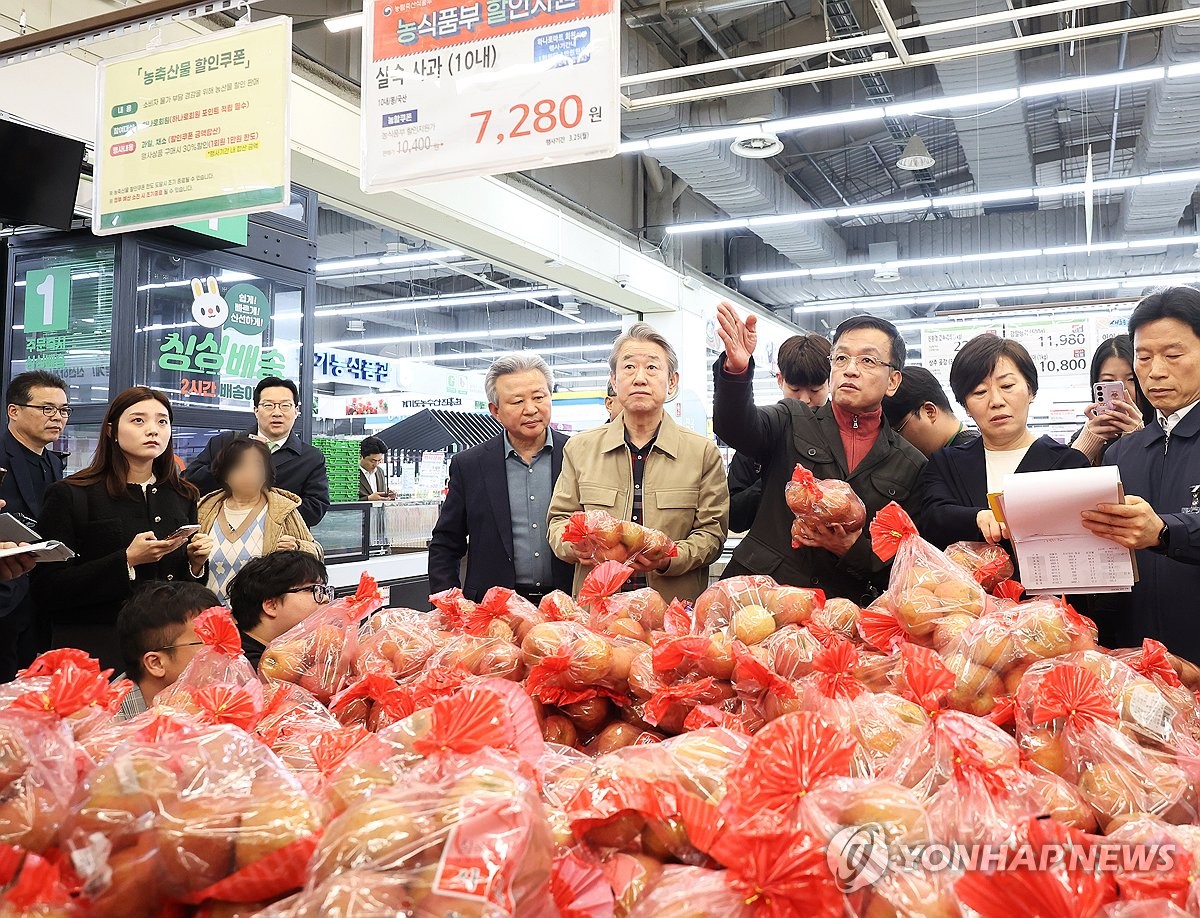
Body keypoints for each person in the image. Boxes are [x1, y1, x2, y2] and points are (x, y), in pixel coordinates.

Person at [713, 302, 924, 604]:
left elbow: (903, 565)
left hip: (838, 614)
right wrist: (736, 372)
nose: (850, 369)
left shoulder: (909, 463)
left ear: (893, 381)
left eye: (867, 361)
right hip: (757, 599)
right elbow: (736, 427)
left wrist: (851, 548)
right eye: (841, 358)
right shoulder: (791, 417)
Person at [32, 387, 214, 671]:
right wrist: (126, 561)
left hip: (165, 655)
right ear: (111, 430)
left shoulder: (183, 494)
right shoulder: (71, 494)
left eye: (162, 421)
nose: (153, 430)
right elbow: (46, 587)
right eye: (138, 420)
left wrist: (195, 565)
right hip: (96, 652)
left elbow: (181, 588)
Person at [548, 323, 729, 603]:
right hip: (598, 611)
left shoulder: (702, 453)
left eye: (652, 368)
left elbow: (712, 534)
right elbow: (559, 521)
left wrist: (669, 558)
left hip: (672, 615)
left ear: (672, 382)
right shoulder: (580, 448)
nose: (640, 378)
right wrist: (575, 547)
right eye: (629, 367)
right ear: (614, 379)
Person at [1081, 287, 1200, 662]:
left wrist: (1164, 532)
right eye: (1144, 357)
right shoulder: (1122, 452)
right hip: (1136, 657)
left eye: (1174, 355)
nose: (1156, 371)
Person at [917, 334, 1091, 552]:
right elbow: (933, 517)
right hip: (965, 586)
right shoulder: (946, 463)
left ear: (1031, 390)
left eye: (1007, 385)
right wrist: (978, 518)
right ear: (965, 406)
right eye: (980, 392)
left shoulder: (1069, 464)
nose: (996, 401)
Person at [429, 354, 574, 604]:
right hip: (494, 611)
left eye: (539, 397)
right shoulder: (470, 465)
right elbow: (446, 543)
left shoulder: (578, 454)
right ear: (495, 410)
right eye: (517, 401)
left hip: (568, 605)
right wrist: (448, 603)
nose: (531, 409)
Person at [184, 377, 330, 527]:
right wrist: (229, 462)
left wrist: (260, 515)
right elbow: (189, 483)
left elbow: (315, 509)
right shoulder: (224, 443)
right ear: (255, 410)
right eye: (268, 405)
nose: (277, 413)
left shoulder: (311, 458)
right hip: (221, 535)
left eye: (285, 405)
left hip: (280, 544)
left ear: (296, 411)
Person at [0, 371, 69, 680]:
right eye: (47, 409)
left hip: (41, 595)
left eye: (64, 410)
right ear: (14, 411)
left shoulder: (54, 462)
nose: (58, 417)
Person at [197, 438, 321, 605]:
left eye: (256, 465)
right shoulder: (204, 510)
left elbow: (317, 554)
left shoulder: (283, 510)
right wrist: (194, 560)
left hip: (263, 621)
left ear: (266, 473)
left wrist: (297, 548)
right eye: (239, 465)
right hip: (211, 618)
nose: (249, 472)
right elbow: (188, 571)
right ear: (225, 473)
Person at [728, 333, 831, 533]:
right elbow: (734, 518)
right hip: (772, 554)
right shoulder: (759, 434)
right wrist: (775, 480)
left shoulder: (844, 434)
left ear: (830, 382)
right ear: (780, 379)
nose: (804, 400)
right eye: (794, 389)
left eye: (815, 390)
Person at [114, 581, 219, 720]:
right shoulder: (104, 725)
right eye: (208, 642)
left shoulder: (221, 702)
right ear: (156, 663)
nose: (223, 653)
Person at [227, 550, 331, 668]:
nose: (325, 598)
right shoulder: (246, 669)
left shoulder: (287, 654)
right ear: (271, 605)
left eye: (323, 590)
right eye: (313, 589)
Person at [1070, 335, 1155, 465]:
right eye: (1108, 381)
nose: (1121, 392)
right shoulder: (1086, 435)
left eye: (1132, 379)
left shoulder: (1162, 432)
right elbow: (1063, 483)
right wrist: (1084, 448)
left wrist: (1136, 440)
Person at [882, 365, 978, 458]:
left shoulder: (965, 459)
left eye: (898, 430)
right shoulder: (971, 448)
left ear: (929, 412)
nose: (895, 442)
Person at [359, 436, 393, 501]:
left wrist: (388, 495)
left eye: (379, 460)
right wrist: (368, 499)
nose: (376, 464)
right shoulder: (350, 474)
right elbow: (342, 502)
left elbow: (383, 493)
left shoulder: (380, 472)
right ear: (361, 456)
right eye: (372, 461)